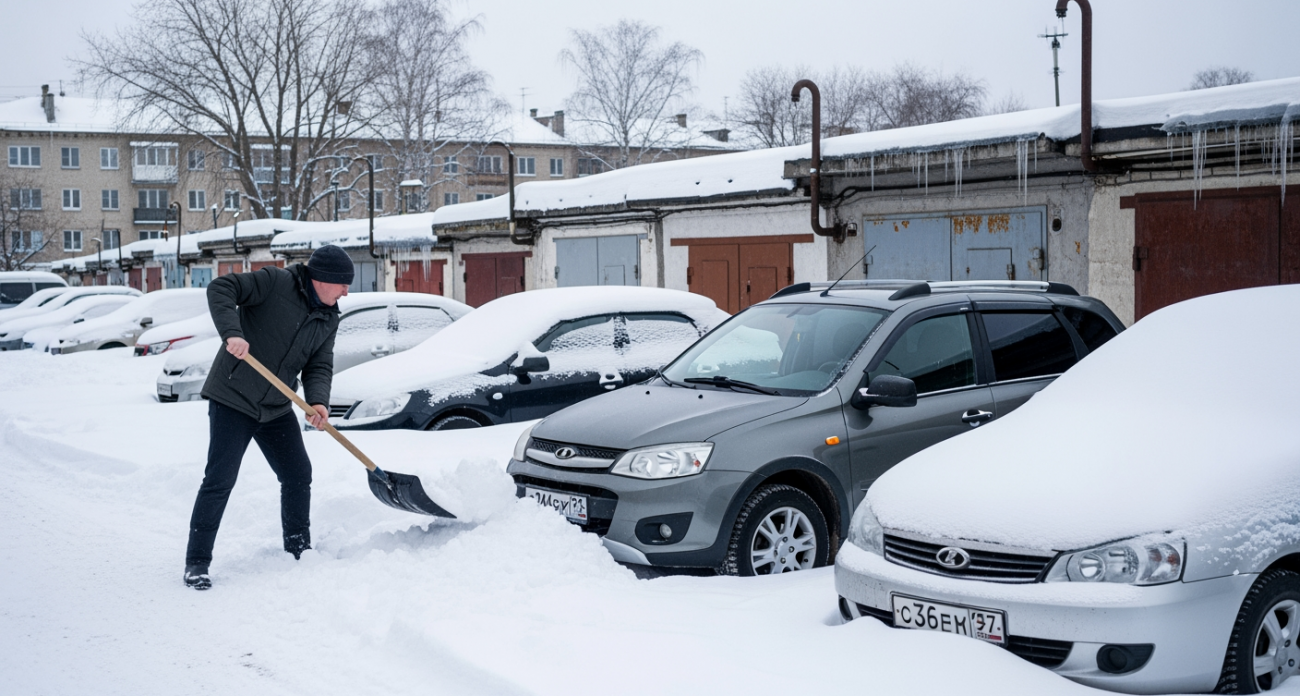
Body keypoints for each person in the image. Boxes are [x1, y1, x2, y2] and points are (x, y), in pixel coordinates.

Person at [183, 245, 353, 590]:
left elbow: (319, 364)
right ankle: (197, 562)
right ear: (323, 279)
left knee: (297, 473)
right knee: (220, 479)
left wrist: (318, 402)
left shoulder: (328, 317)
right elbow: (222, 288)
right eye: (343, 285)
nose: (346, 292)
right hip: (234, 398)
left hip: (276, 405)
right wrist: (232, 332)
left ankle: (298, 548)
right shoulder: (275, 282)